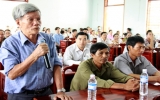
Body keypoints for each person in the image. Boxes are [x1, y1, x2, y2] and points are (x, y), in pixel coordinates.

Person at [0, 3, 72, 100]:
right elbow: (12, 74)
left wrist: (60, 90)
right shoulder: (9, 44)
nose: (36, 23)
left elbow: (56, 64)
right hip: (20, 95)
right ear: (18, 22)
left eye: (38, 19)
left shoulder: (48, 39)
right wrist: (34, 55)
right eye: (30, 19)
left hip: (46, 92)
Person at [70, 42, 139, 91]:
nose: (104, 56)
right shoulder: (84, 65)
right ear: (92, 55)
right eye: (101, 53)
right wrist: (124, 86)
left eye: (107, 53)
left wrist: (131, 81)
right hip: (78, 94)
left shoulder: (108, 65)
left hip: (98, 92)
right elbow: (95, 81)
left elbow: (121, 76)